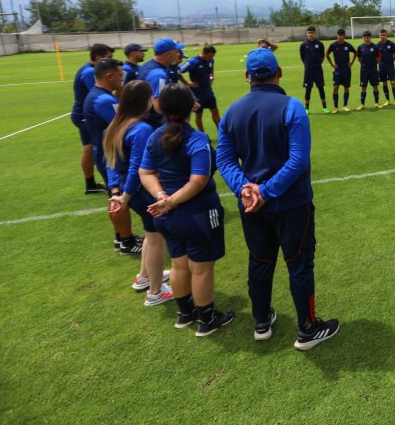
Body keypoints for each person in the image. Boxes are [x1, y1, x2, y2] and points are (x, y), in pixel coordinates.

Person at [216, 48, 339, 349]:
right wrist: (266, 191)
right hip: (291, 204)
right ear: (279, 72)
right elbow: (298, 160)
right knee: (299, 263)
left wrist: (246, 188)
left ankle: (261, 321)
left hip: (251, 206)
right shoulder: (292, 107)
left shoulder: (231, 112)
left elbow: (225, 160)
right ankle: (307, 328)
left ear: (246, 76)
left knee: (260, 260)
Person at [139, 83, 233, 337]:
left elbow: (145, 172)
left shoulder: (154, 135)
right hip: (196, 214)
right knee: (201, 267)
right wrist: (170, 200)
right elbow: (198, 181)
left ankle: (185, 313)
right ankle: (207, 318)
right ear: (190, 105)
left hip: (167, 217)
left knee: (179, 264)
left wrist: (162, 196)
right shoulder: (196, 138)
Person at [105, 80, 173, 305]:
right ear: (144, 101)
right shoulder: (141, 129)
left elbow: (111, 164)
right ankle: (155, 291)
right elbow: (139, 167)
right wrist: (125, 196)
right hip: (139, 192)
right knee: (155, 238)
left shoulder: (116, 125)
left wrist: (117, 191)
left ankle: (145, 277)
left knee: (150, 234)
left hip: (129, 191)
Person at [84, 58, 142, 254]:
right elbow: (123, 124)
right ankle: (126, 241)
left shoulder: (97, 95)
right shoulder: (104, 100)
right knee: (118, 197)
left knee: (115, 196)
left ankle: (121, 237)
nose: (122, 79)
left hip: (106, 153)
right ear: (109, 76)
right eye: (119, 75)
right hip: (110, 156)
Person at [71, 43, 115, 194]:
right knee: (97, 147)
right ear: (98, 57)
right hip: (84, 116)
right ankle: (107, 182)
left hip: (83, 115)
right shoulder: (90, 72)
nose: (110, 61)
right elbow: (101, 92)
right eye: (108, 57)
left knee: (89, 148)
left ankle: (90, 184)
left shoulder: (89, 69)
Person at [137, 37, 186, 128]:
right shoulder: (159, 75)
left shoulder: (149, 65)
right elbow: (159, 107)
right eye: (176, 51)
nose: (178, 54)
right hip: (155, 124)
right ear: (168, 54)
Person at [179, 45, 220, 133]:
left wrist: (212, 77)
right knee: (199, 115)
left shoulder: (211, 60)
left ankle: (221, 133)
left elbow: (211, 69)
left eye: (212, 57)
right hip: (197, 93)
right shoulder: (193, 62)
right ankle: (203, 134)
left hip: (208, 91)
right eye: (209, 56)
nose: (211, 58)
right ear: (203, 53)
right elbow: (178, 71)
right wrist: (187, 83)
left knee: (215, 111)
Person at [299, 26, 330, 114]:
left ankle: (325, 107)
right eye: (309, 33)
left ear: (315, 33)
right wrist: (306, 65)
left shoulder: (320, 44)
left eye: (312, 33)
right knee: (308, 89)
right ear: (307, 33)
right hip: (308, 69)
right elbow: (302, 57)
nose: (310, 34)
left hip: (318, 69)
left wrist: (318, 64)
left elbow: (322, 56)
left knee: (320, 87)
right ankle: (306, 108)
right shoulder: (303, 45)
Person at [326, 28, 357, 113]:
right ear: (337, 36)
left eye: (342, 35)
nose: (340, 37)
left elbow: (356, 53)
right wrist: (332, 64)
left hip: (346, 70)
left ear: (344, 36)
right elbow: (327, 54)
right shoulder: (333, 45)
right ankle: (335, 107)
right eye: (339, 35)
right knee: (335, 87)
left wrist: (351, 62)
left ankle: (345, 105)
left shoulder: (348, 45)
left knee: (346, 88)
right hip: (337, 70)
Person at [355, 31, 382, 109]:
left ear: (370, 38)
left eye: (367, 38)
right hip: (364, 70)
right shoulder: (360, 47)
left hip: (373, 70)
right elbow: (359, 58)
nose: (366, 39)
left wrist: (373, 64)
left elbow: (378, 58)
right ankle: (362, 104)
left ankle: (376, 103)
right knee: (363, 87)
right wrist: (364, 65)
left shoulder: (375, 47)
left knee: (375, 86)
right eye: (364, 38)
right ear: (363, 38)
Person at [377, 28, 395, 106]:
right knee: (384, 83)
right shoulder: (377, 46)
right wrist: (380, 62)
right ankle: (387, 100)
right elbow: (375, 57)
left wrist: (390, 61)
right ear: (379, 36)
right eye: (381, 35)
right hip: (381, 66)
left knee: (392, 82)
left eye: (384, 35)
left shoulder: (392, 44)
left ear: (386, 35)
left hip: (390, 66)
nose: (382, 36)